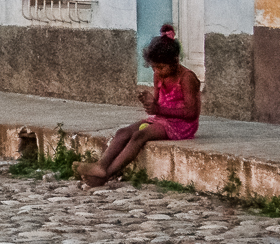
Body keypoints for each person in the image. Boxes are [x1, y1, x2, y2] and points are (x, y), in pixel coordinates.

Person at [75, 24, 200, 187]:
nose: (157, 71)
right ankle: (101, 165)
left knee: (139, 136)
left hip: (181, 125)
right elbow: (158, 103)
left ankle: (107, 174)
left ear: (175, 61)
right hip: (162, 118)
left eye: (161, 67)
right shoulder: (159, 75)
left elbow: (191, 113)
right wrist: (149, 102)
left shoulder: (186, 78)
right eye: (154, 67)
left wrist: (159, 110)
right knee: (123, 132)